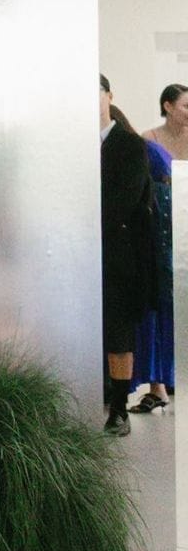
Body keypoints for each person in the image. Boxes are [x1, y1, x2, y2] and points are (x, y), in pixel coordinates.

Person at [101, 76, 155, 437]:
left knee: (118, 332)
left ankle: (119, 410)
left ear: (109, 96)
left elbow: (126, 200)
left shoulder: (131, 144)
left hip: (119, 255)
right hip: (72, 255)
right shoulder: (66, 145)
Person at [132, 83, 186, 413]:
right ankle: (158, 385)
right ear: (167, 106)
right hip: (161, 230)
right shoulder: (148, 140)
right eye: (186, 106)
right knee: (160, 302)